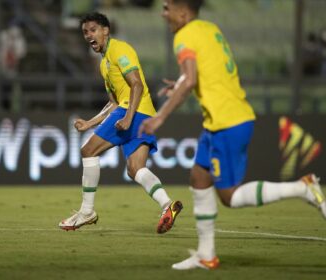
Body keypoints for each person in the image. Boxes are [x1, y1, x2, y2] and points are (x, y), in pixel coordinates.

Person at [139, 0, 326, 270]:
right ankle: (206, 255)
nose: (163, 13)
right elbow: (204, 71)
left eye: (167, 8)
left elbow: (190, 79)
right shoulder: (208, 28)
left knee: (230, 197)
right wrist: (178, 84)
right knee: (199, 178)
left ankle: (302, 188)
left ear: (183, 11)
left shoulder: (184, 36)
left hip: (228, 122)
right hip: (220, 120)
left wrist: (160, 116)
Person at [59, 12, 183, 234]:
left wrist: (128, 117)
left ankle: (87, 211)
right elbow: (113, 103)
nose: (89, 35)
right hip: (142, 113)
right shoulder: (104, 64)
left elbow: (137, 85)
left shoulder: (120, 49)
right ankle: (167, 205)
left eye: (93, 30)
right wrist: (90, 123)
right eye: (85, 32)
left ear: (106, 30)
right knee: (135, 169)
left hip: (134, 111)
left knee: (88, 151)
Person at [0, 24, 27, 111]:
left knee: (7, 93)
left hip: (10, 71)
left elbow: (19, 56)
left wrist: (11, 51)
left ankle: (6, 111)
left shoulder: (20, 40)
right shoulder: (2, 35)